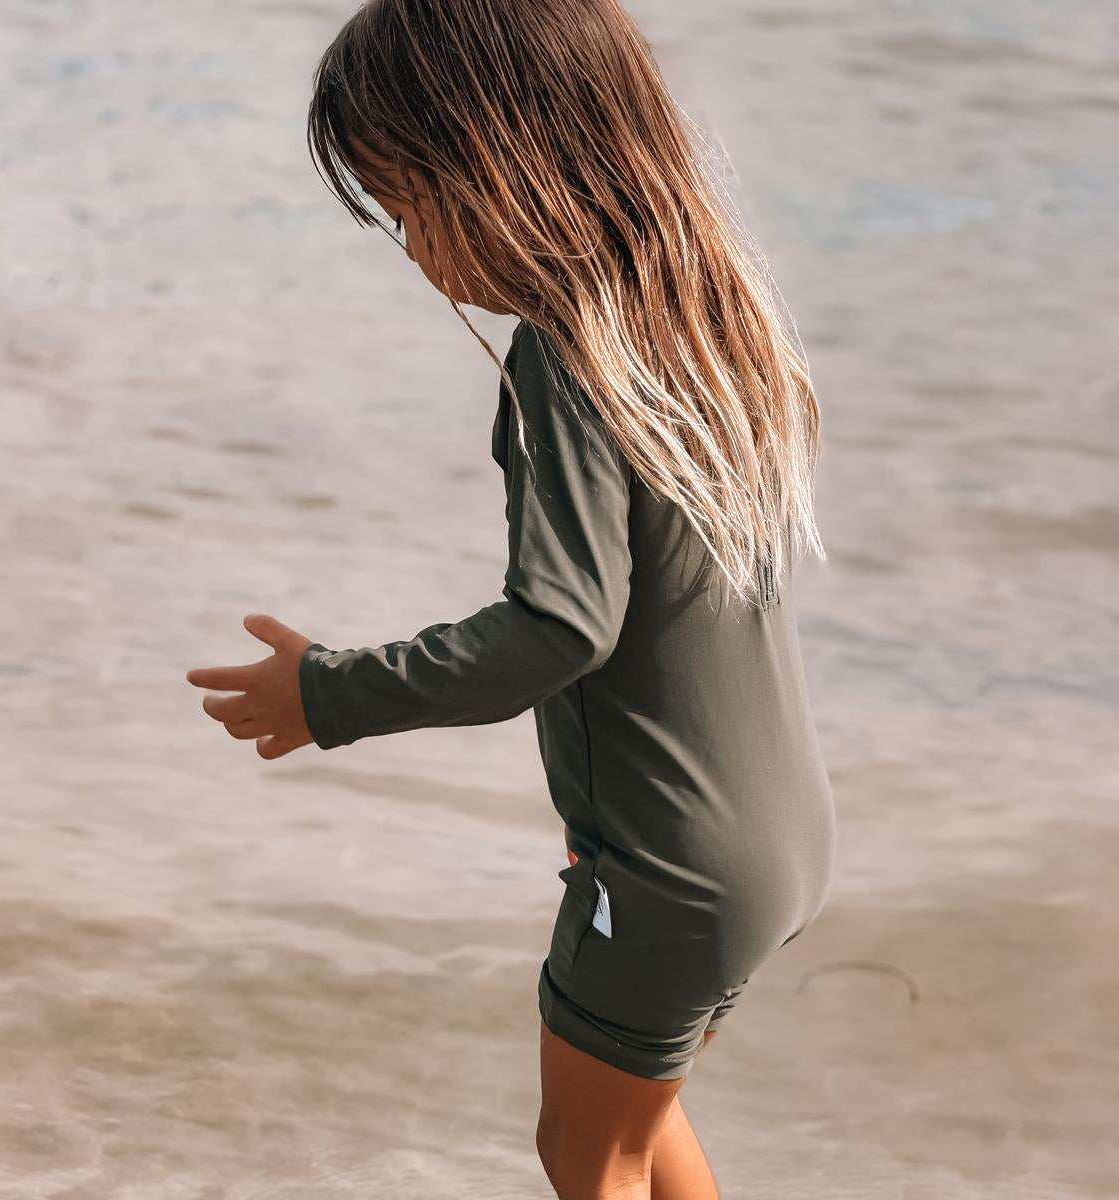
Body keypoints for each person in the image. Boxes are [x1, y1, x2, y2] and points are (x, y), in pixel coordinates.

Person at [186, 1, 837, 1195]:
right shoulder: (704, 314)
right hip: (777, 844)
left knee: (583, 1153)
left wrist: (326, 691)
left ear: (500, 163)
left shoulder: (567, 355)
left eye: (408, 203)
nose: (413, 248)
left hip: (663, 870)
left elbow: (559, 626)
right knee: (639, 1129)